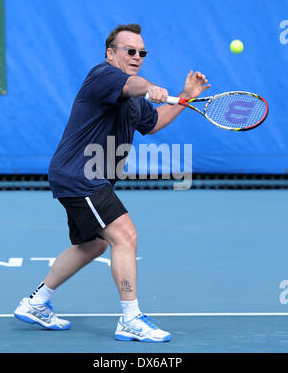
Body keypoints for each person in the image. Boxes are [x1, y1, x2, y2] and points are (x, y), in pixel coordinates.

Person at [14, 23, 210, 342]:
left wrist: (184, 99)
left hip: (86, 175)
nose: (136, 56)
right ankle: (131, 319)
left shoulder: (134, 99)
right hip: (82, 175)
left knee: (93, 244)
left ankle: (35, 303)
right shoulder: (103, 75)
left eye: (141, 52)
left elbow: (154, 122)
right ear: (111, 54)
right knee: (125, 234)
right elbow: (135, 85)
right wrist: (149, 87)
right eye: (129, 50)